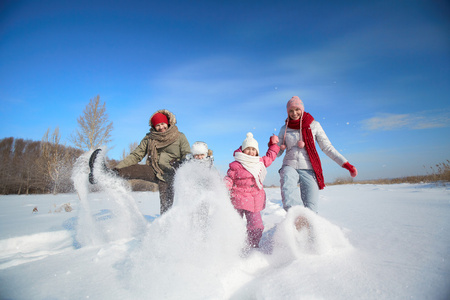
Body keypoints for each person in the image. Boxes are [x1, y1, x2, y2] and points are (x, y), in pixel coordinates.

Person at [89, 109, 191, 215]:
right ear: (153, 127)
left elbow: (187, 154)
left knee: (166, 207)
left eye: (162, 124)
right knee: (135, 169)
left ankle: (166, 227)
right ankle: (107, 174)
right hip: (155, 170)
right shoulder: (149, 139)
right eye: (157, 125)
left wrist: (182, 163)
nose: (161, 128)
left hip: (172, 174)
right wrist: (118, 168)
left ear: (168, 123)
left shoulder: (179, 136)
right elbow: (136, 155)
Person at [277, 96, 358, 213]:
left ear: (302, 109)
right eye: (291, 111)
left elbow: (327, 147)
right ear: (287, 112)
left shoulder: (313, 125)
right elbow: (278, 151)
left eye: (297, 109)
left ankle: (310, 227)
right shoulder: (284, 128)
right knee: (287, 182)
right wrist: (273, 146)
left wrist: (345, 164)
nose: (294, 113)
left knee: (312, 209)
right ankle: (296, 215)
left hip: (309, 168)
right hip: (289, 165)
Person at [225, 132, 280, 248]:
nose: (251, 152)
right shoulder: (236, 164)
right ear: (243, 150)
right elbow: (229, 178)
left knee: (257, 226)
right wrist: (224, 186)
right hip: (237, 200)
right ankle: (233, 246)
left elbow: (271, 156)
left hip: (254, 201)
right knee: (234, 225)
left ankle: (252, 246)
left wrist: (273, 144)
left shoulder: (260, 163)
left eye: (253, 149)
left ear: (257, 152)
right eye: (248, 149)